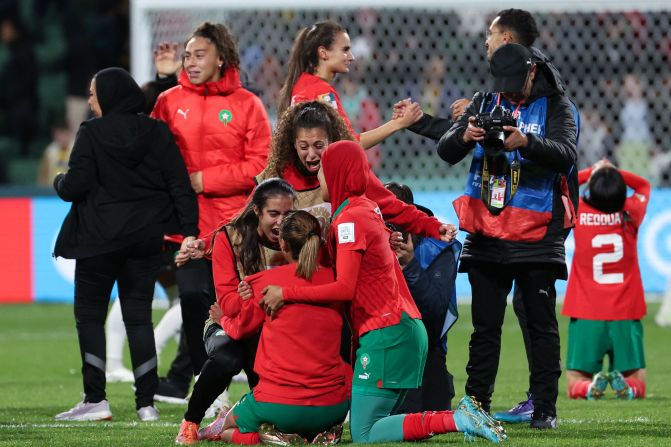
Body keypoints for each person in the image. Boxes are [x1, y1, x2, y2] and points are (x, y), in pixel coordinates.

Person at [398, 8, 578, 424]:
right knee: (484, 328)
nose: (508, 92)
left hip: (536, 233)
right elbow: (446, 150)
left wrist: (525, 141)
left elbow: (567, 154)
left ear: (531, 72)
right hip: (487, 231)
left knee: (540, 323)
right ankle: (476, 406)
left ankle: (545, 410)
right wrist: (464, 133)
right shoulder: (485, 100)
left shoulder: (557, 107)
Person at [260, 141, 505, 444]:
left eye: (323, 170)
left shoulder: (349, 220)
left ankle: (457, 418)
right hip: (398, 330)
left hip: (387, 333)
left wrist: (286, 292)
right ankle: (452, 417)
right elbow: (390, 206)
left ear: (337, 173)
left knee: (364, 433)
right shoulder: (362, 208)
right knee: (374, 423)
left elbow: (345, 288)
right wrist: (429, 225)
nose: (318, 178)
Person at [52, 67, 199, 422]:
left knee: (89, 317)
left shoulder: (91, 133)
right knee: (139, 320)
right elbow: (179, 184)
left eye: (93, 93)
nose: (89, 100)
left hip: (97, 240)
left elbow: (75, 186)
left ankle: (96, 400)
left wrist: (59, 181)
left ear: (108, 95)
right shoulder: (158, 132)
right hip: (145, 241)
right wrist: (190, 230)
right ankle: (146, 404)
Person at [151, 22, 271, 386]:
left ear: (221, 58)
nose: (190, 62)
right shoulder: (168, 102)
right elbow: (152, 154)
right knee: (190, 296)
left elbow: (260, 164)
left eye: (199, 55)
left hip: (236, 229)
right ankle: (205, 381)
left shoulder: (247, 104)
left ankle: (262, 385)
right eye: (187, 55)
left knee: (246, 306)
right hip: (187, 227)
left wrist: (205, 180)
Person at [195, 210, 350, 445]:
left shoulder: (264, 283)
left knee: (225, 427)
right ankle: (319, 432)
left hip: (279, 404)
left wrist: (221, 319)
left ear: (282, 244)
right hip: (334, 406)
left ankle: (269, 437)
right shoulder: (337, 281)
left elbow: (240, 331)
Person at [175, 178, 295, 444]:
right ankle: (191, 421)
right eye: (273, 214)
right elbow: (228, 304)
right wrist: (267, 296)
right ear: (256, 211)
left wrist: (253, 294)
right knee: (228, 360)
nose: (281, 222)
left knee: (268, 423)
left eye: (288, 214)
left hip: (275, 327)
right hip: (228, 324)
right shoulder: (229, 238)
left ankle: (232, 418)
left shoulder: (300, 238)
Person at [562, 160, 649, 400]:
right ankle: (628, 389)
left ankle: (588, 388)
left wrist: (594, 171)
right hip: (626, 311)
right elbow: (643, 186)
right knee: (637, 377)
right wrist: (615, 173)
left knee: (575, 379)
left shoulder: (579, 210)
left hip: (586, 310)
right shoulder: (631, 211)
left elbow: (561, 186)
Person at [277, 21, 422, 149]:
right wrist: (398, 124)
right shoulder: (322, 92)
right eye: (345, 50)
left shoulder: (303, 83)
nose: (352, 57)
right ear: (323, 53)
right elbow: (350, 144)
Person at [385, 182, 461, 413]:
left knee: (428, 421)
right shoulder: (365, 241)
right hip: (380, 349)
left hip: (425, 352)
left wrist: (409, 265)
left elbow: (434, 310)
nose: (390, 228)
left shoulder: (439, 248)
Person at [37, 118, 73, 187]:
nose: (63, 138)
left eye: (65, 134)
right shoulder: (49, 152)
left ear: (70, 134)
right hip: (51, 191)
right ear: (54, 136)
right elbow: (42, 176)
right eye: (59, 135)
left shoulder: (77, 151)